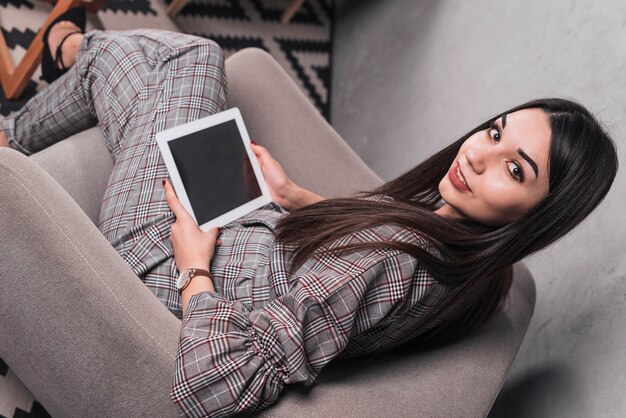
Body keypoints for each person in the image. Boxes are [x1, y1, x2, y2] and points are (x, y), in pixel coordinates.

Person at [0, 7, 618, 418]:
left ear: (539, 213)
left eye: (516, 169)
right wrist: (297, 198)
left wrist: (194, 270)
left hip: (170, 257)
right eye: (494, 131)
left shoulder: (393, 264)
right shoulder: (473, 264)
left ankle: (57, 70)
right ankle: (65, 64)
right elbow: (357, 269)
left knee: (172, 60)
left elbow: (216, 384)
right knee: (190, 61)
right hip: (248, 233)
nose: (480, 157)